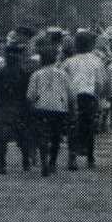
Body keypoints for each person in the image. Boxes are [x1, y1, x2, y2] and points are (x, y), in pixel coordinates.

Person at [26, 43, 73, 176]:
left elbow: (30, 96)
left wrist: (31, 110)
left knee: (43, 135)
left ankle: (43, 161)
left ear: (41, 60)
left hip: (41, 108)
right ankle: (52, 162)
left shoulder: (36, 74)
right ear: (55, 59)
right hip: (59, 108)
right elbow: (70, 94)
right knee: (56, 136)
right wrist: (70, 109)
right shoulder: (63, 74)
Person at [0, 42, 33, 174]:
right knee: (22, 136)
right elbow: (28, 93)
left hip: (3, 109)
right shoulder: (24, 73)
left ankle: (2, 165)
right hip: (19, 109)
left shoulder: (1, 73)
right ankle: (25, 162)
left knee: (2, 138)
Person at [62, 29, 106, 169]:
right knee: (89, 126)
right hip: (89, 96)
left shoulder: (69, 62)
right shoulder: (97, 61)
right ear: (91, 45)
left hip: (73, 97)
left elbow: (64, 81)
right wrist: (97, 97)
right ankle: (90, 158)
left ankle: (72, 157)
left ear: (76, 45)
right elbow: (99, 82)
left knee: (73, 126)